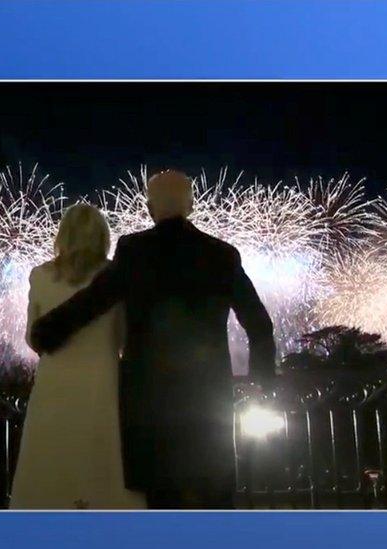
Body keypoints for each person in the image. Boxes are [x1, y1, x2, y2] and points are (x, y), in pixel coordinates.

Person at [29, 169, 276, 509]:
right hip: (208, 405)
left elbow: (92, 301)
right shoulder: (222, 254)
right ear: (191, 205)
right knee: (215, 504)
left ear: (148, 208)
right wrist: (262, 382)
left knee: (161, 507)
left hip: (150, 408)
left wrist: (46, 333)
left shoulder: (134, 250)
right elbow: (260, 326)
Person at [10, 203, 146, 509]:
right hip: (103, 384)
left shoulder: (41, 275)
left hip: (53, 385)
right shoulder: (115, 276)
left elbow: (34, 337)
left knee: (49, 468)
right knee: (104, 467)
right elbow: (125, 337)